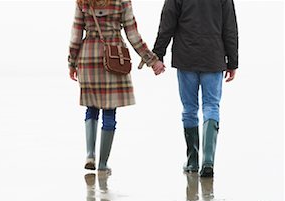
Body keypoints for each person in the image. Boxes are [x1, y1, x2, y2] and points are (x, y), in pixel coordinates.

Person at [68, 0, 164, 173]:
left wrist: (71, 62)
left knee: (91, 106)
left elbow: (76, 35)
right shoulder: (122, 1)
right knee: (109, 110)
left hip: (88, 57)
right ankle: (103, 164)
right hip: (114, 57)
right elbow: (133, 35)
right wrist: (152, 60)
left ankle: (90, 154)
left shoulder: (82, 1)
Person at [152, 0, 238, 177]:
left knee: (189, 109)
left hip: (186, 57)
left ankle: (192, 161)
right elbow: (230, 27)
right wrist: (233, 61)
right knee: (211, 106)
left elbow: (167, 22)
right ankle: (208, 162)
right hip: (213, 56)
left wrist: (158, 54)